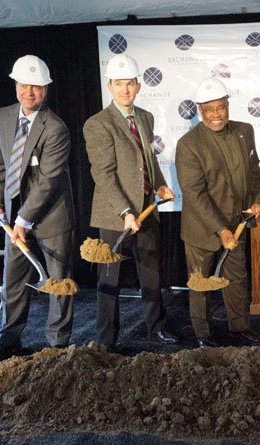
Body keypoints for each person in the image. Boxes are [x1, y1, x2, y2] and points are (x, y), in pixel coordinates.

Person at [0, 55, 76, 364]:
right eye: (23, 85)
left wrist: (24, 219)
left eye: (36, 87)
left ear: (45, 89)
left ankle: (57, 347)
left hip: (51, 218)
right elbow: (1, 165)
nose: (29, 92)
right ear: (15, 85)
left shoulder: (56, 128)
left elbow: (48, 181)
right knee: (12, 282)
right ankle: (7, 342)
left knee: (57, 283)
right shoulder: (2, 117)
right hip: (13, 216)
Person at [83, 53, 178, 350]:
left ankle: (156, 327)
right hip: (115, 215)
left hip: (147, 210)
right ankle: (106, 339)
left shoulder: (145, 118)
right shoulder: (98, 124)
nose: (125, 90)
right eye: (119, 84)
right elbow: (104, 174)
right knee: (109, 277)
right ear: (110, 86)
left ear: (138, 86)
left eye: (130, 84)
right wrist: (125, 211)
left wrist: (160, 186)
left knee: (151, 271)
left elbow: (149, 160)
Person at [175, 78, 260, 348]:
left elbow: (252, 171)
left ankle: (239, 327)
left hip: (236, 222)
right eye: (209, 109)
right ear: (200, 111)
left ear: (228, 105)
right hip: (203, 227)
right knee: (201, 283)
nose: (216, 114)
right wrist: (221, 229)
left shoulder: (244, 131)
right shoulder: (188, 144)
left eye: (221, 107)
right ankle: (203, 334)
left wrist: (257, 200)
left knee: (236, 278)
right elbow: (194, 193)